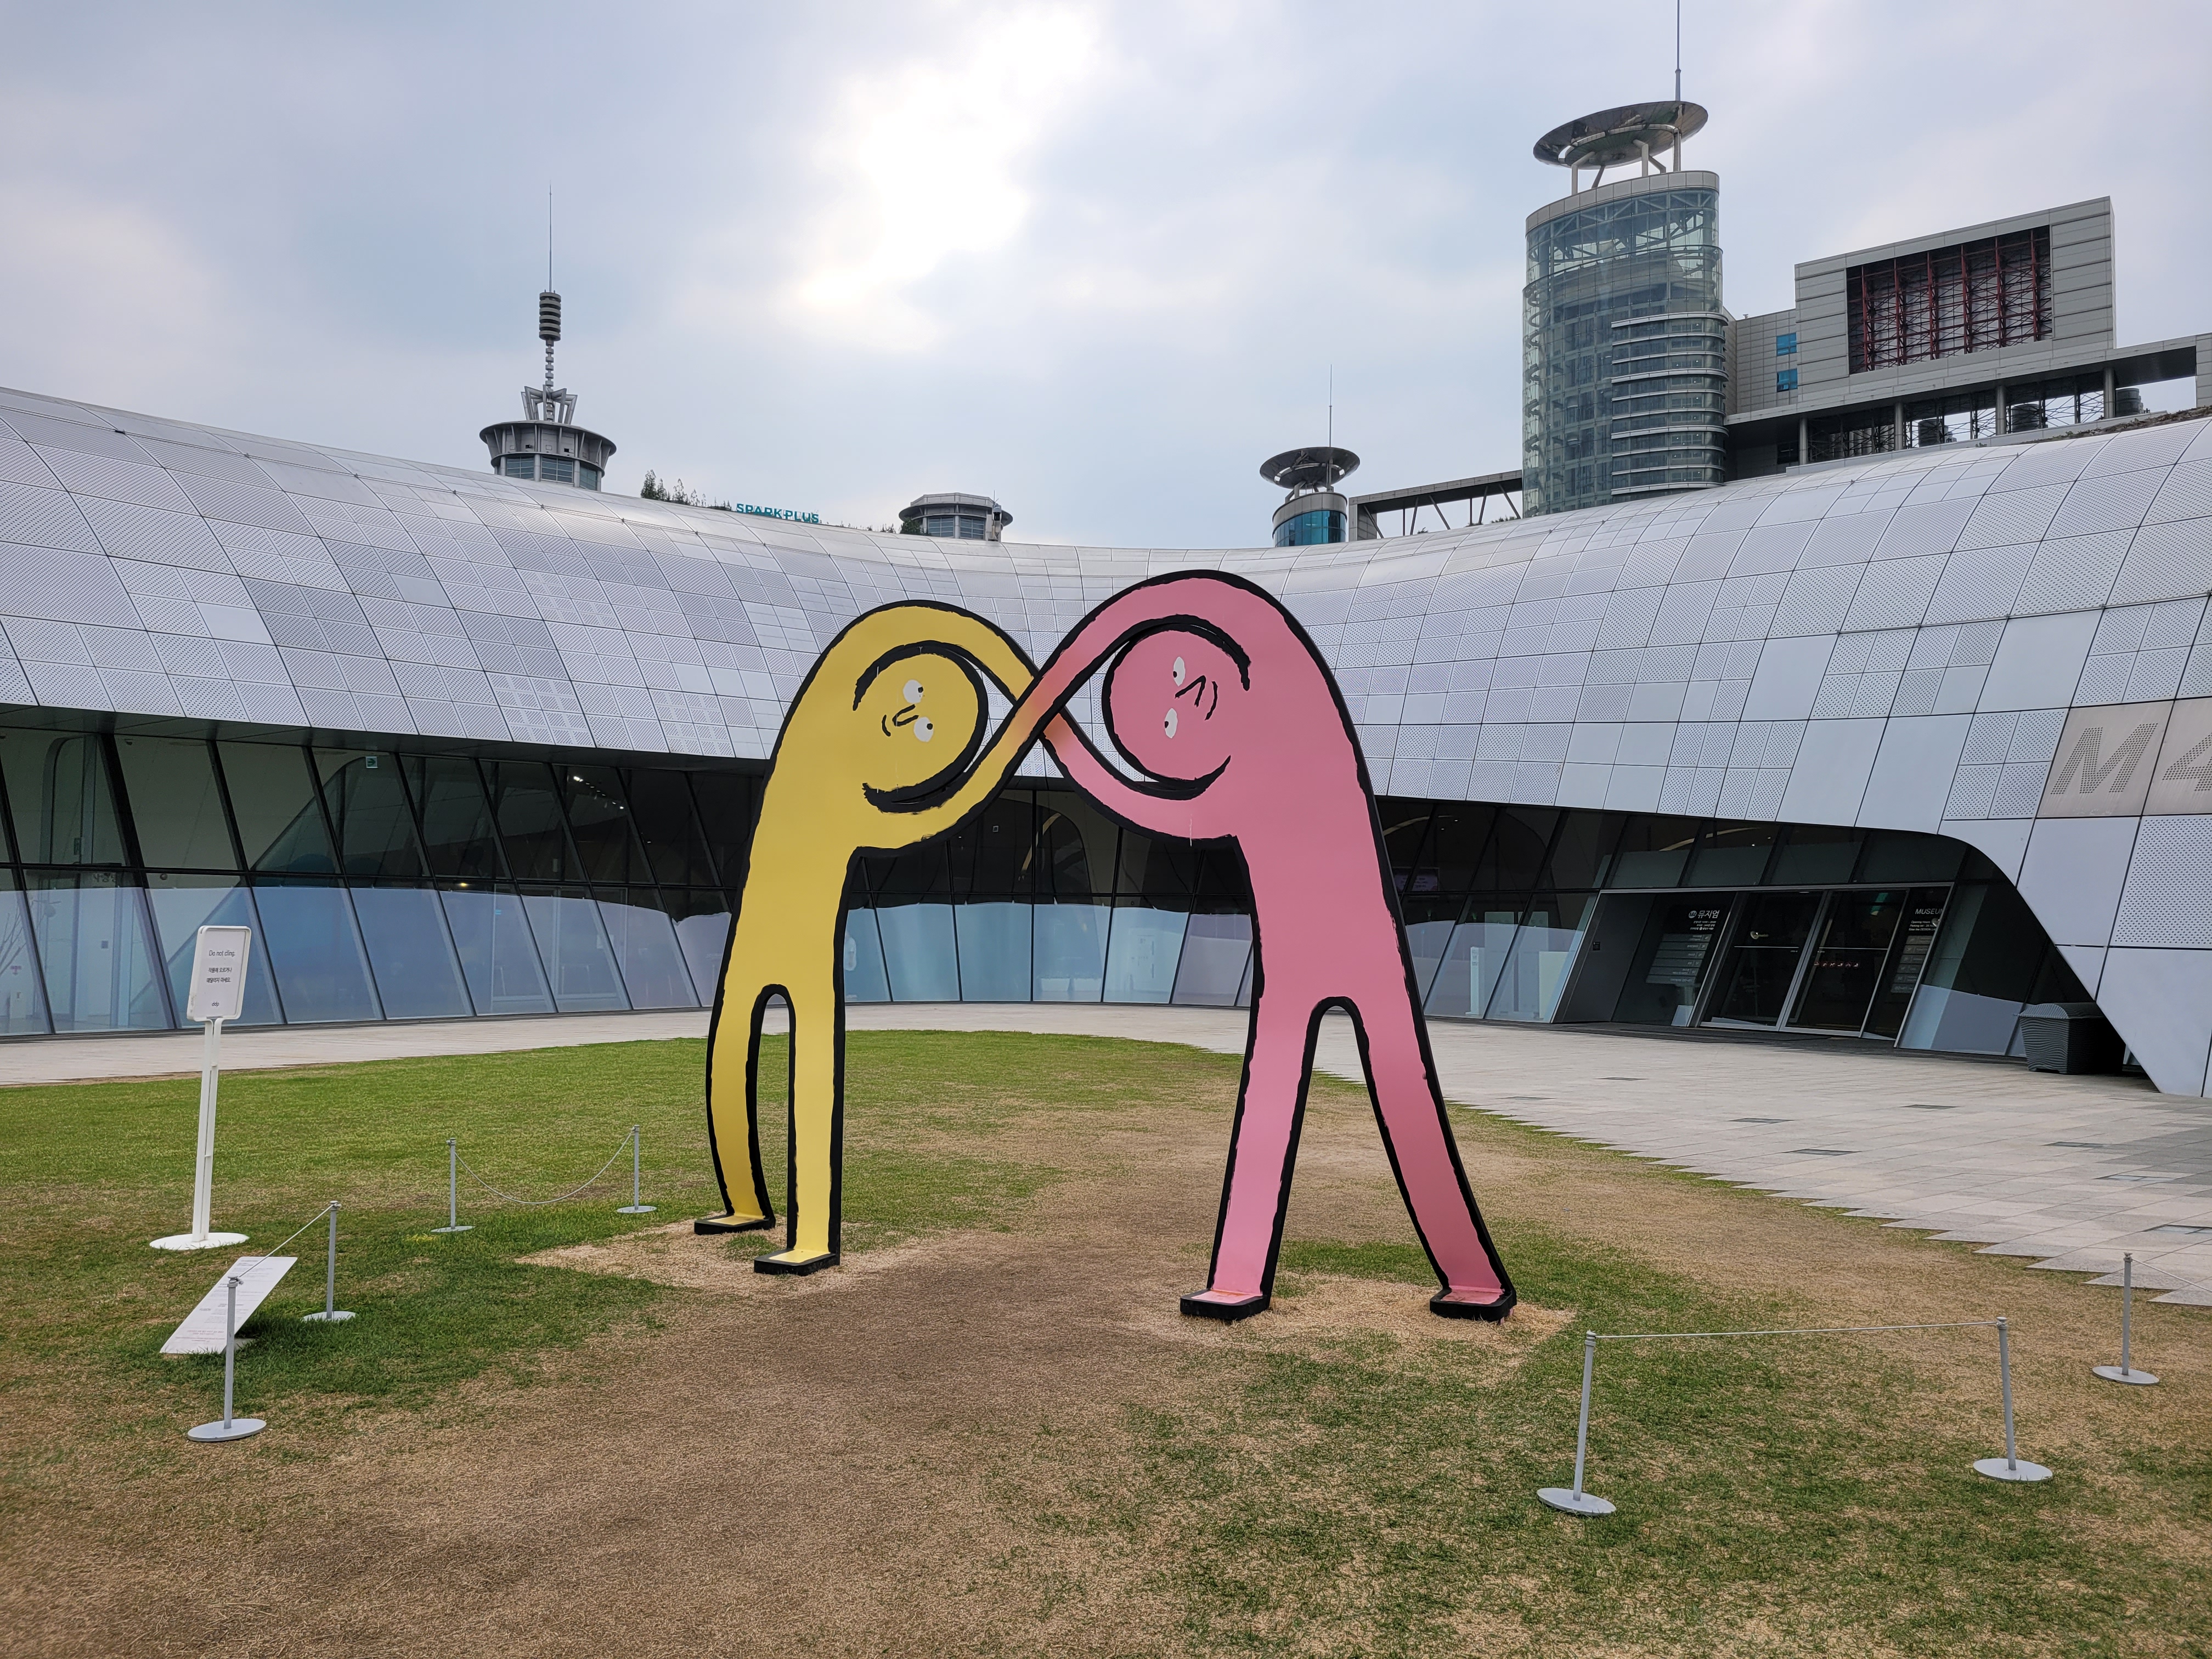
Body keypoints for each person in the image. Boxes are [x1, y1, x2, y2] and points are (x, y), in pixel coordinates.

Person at [1008, 571, 1515, 1319]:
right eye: (1166, 725)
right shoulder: (1226, 793)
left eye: (1176, 672)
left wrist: (1045, 690)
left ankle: (1472, 1275)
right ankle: (1238, 1277)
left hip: (1369, 950)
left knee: (1406, 1096)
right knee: (1267, 1107)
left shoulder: (1289, 684)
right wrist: (1050, 729)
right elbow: (1124, 797)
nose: (1186, 698)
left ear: (1206, 645)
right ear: (1176, 764)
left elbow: (1151, 604)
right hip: (1293, 967)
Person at [698, 602, 1036, 1273]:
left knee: (811, 1077)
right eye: (913, 691)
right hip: (754, 938)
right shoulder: (817, 724)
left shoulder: (864, 811)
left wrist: (1031, 715)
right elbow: (942, 631)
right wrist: (1025, 684)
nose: (908, 718)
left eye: (930, 730)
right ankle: (743, 1202)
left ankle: (812, 1233)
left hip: (807, 952)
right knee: (726, 1057)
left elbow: (962, 800)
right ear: (879, 678)